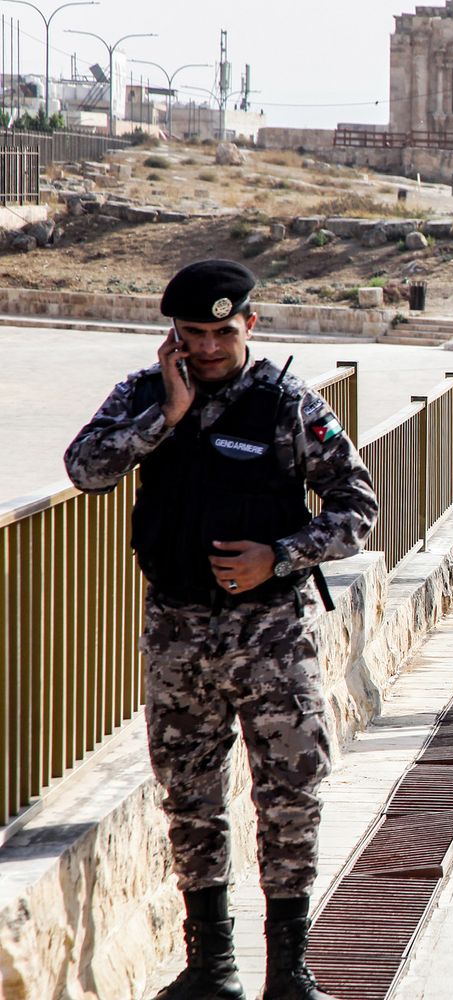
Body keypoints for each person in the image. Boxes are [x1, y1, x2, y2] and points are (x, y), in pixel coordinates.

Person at [64, 259, 379, 1000]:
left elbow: (357, 507)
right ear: (172, 334)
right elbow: (86, 468)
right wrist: (165, 417)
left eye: (222, 333)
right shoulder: (144, 395)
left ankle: (289, 973)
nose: (207, 348)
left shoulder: (287, 405)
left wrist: (280, 556)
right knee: (191, 800)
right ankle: (211, 969)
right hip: (177, 635)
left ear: (250, 326)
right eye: (193, 334)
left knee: (290, 796)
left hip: (271, 636)